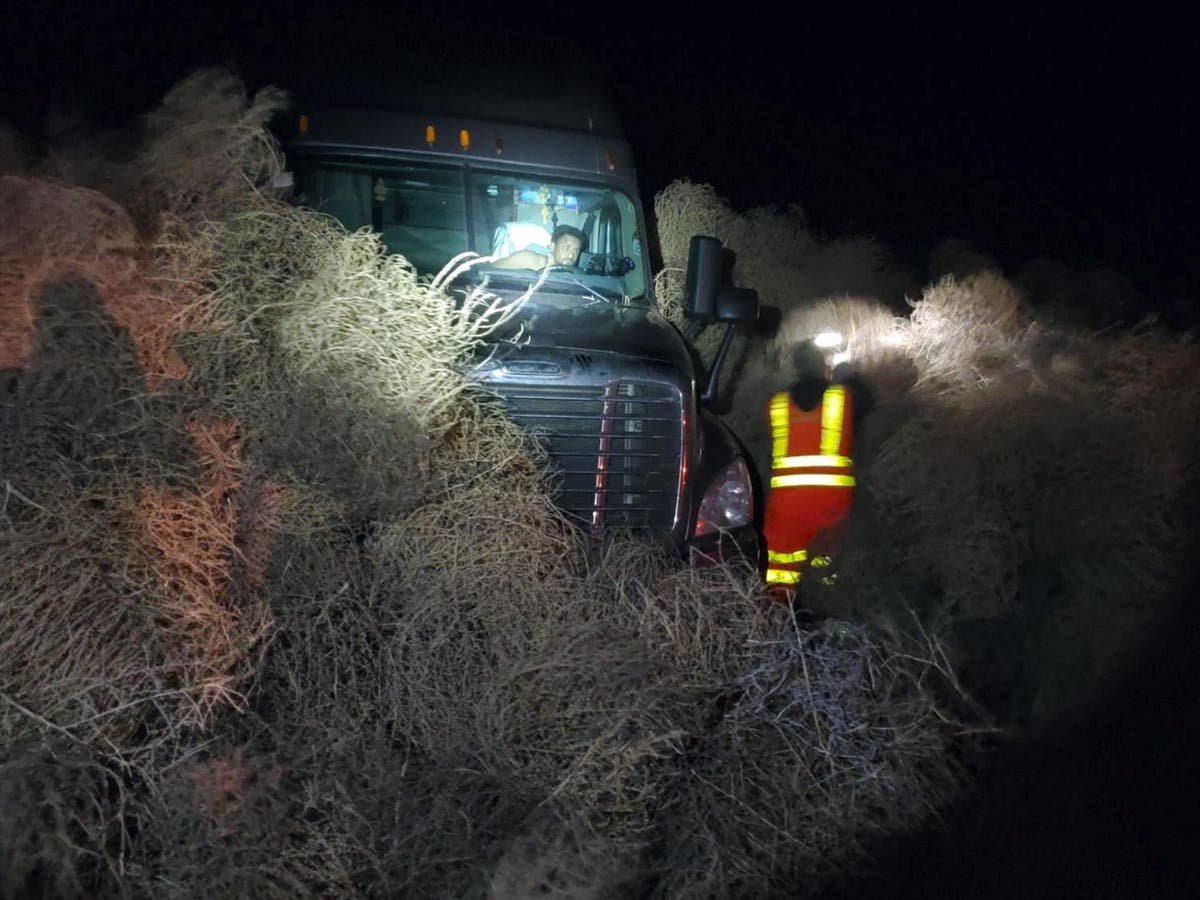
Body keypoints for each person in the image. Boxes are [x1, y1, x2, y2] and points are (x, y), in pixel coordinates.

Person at [762, 342, 861, 600]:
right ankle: (829, 611)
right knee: (827, 562)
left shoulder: (777, 404)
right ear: (823, 367)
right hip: (833, 500)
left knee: (782, 565)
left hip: (787, 501)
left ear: (795, 369)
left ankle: (777, 619)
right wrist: (847, 374)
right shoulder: (842, 398)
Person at [493, 224, 585, 270]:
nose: (571, 255)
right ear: (552, 246)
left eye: (576, 251)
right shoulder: (528, 259)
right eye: (567, 247)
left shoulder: (575, 276)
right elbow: (491, 269)